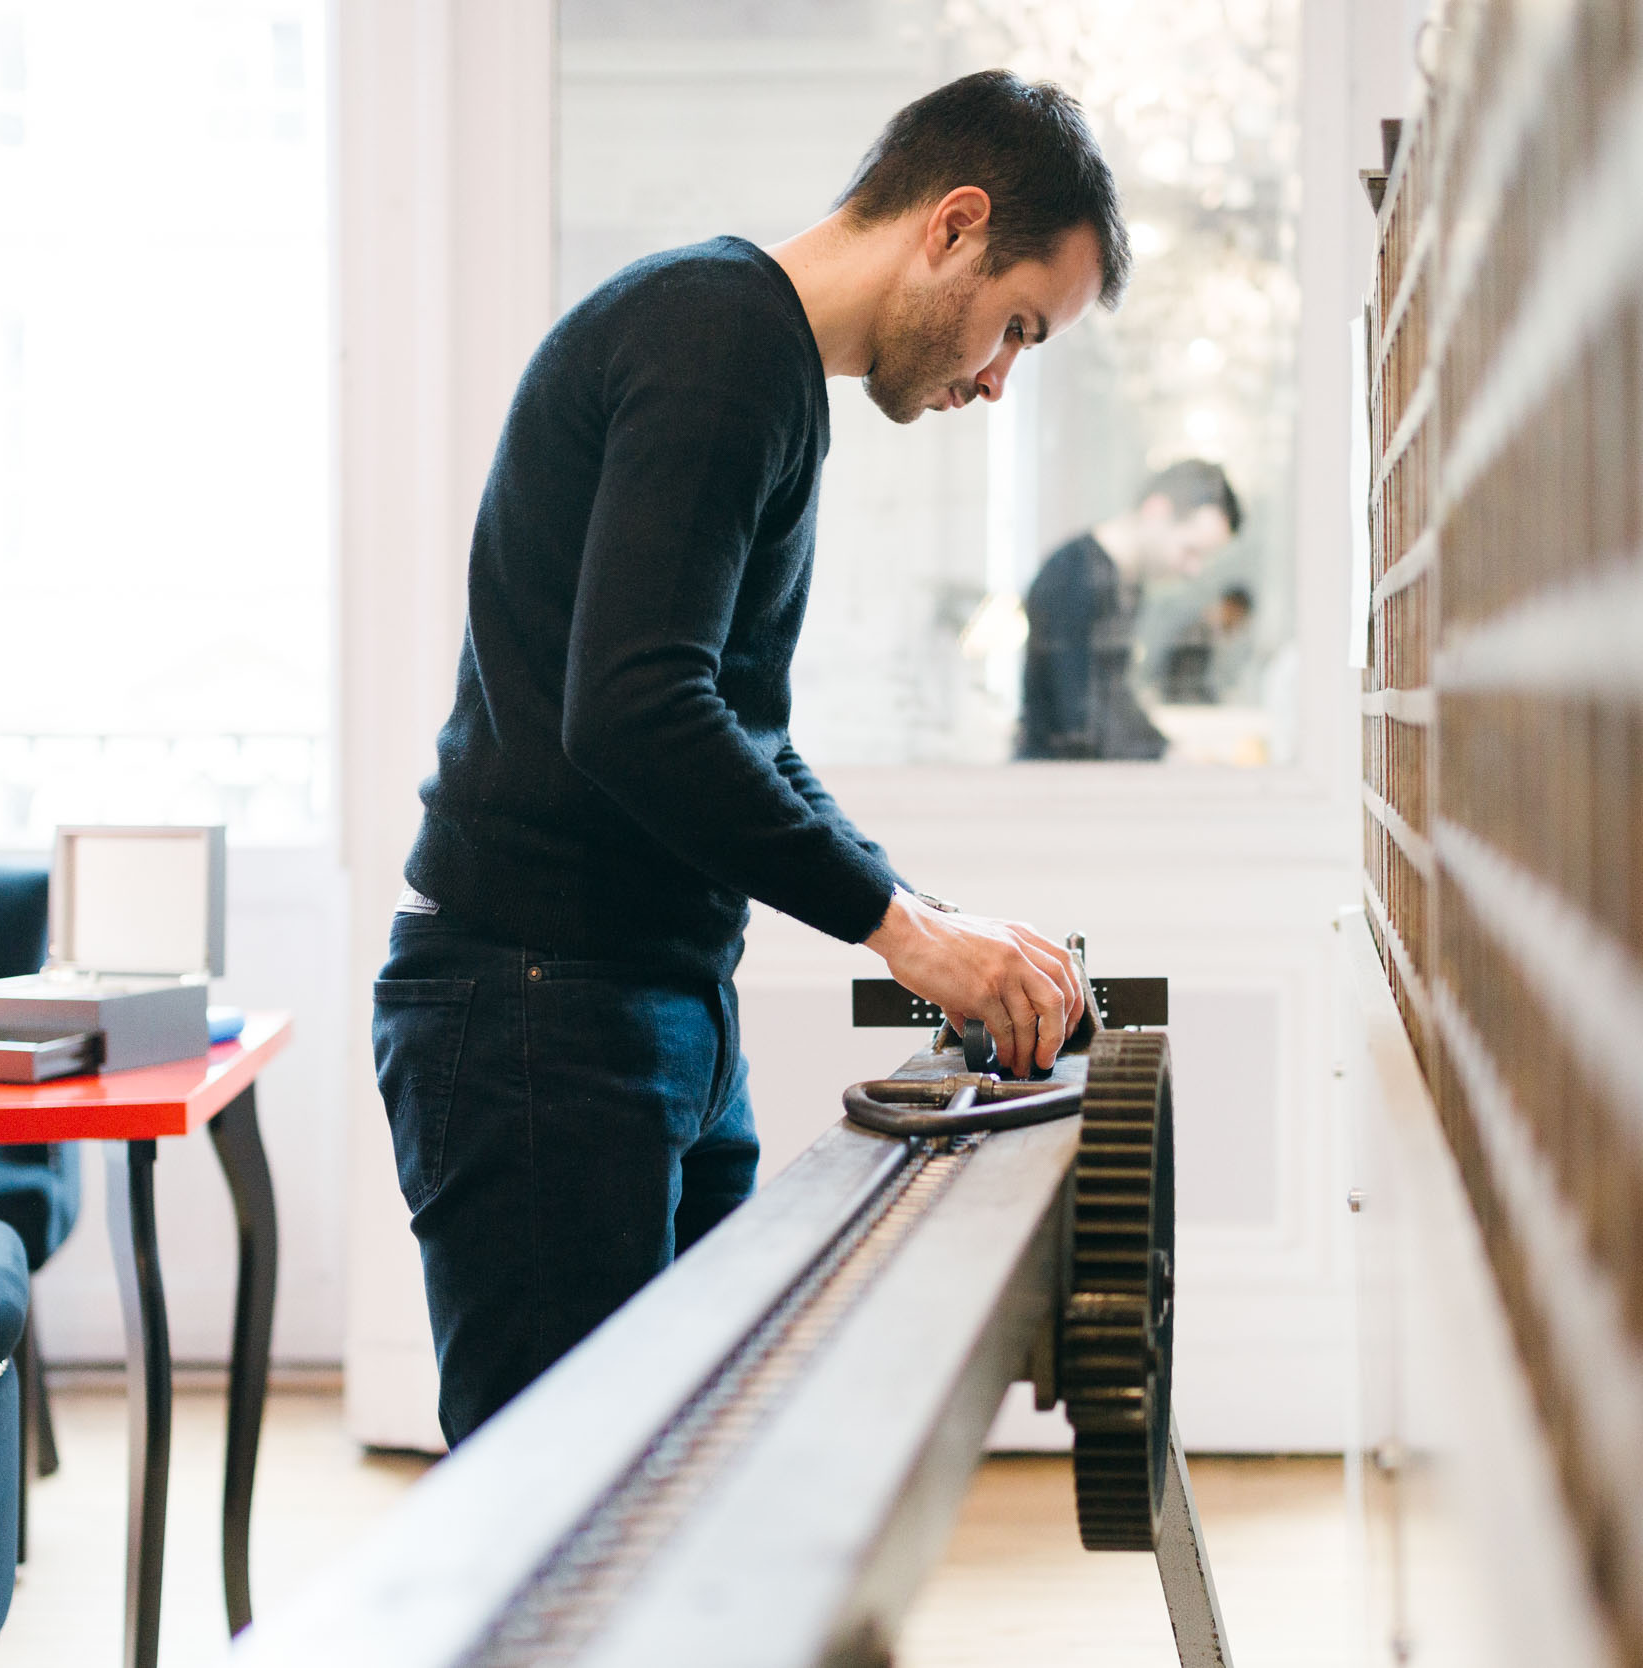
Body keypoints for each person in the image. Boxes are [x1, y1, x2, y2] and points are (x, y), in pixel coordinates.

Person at [374, 71, 1123, 1445]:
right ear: (953, 224)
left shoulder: (750, 359)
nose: (1000, 379)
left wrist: (927, 915)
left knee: (677, 1491)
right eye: (1016, 326)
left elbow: (733, 727)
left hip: (642, 1005)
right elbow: (637, 712)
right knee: (559, 1530)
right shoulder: (719, 340)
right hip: (545, 1012)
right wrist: (901, 931)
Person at [1016, 460, 1242, 759]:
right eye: (1190, 550)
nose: (1192, 570)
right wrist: (1165, 756)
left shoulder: (1123, 582)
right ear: (1157, 510)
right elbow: (1082, 722)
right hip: (1054, 788)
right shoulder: (1075, 577)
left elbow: (1115, 698)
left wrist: (1169, 750)